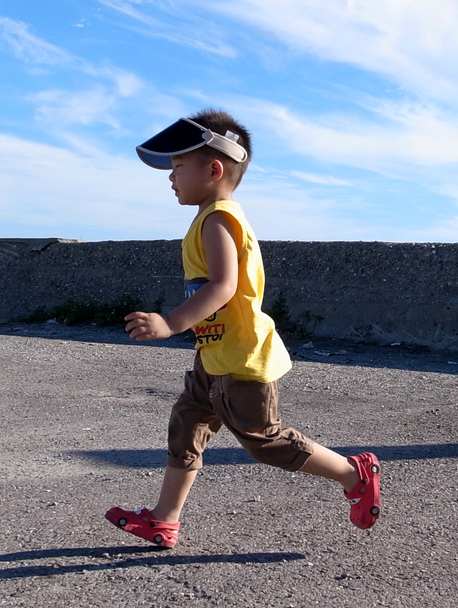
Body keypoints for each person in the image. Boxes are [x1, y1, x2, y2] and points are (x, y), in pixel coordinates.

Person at [106, 109, 380, 548]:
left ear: (214, 169)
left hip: (242, 359)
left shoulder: (218, 218)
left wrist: (170, 322)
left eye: (178, 166)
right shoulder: (208, 217)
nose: (170, 177)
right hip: (214, 355)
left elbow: (223, 286)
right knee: (186, 425)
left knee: (265, 442)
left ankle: (353, 472)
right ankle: (164, 519)